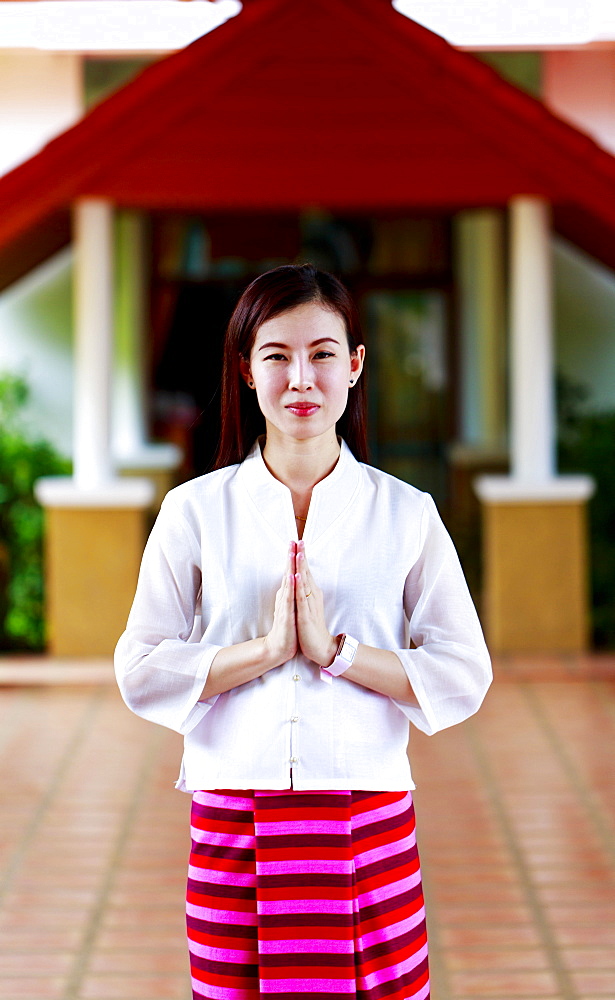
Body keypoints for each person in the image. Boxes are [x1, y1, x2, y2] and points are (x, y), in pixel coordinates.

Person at [115, 263, 492, 1000]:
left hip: (364, 812)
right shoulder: (193, 512)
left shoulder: (405, 512)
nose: (301, 379)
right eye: (276, 356)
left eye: (322, 354)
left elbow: (462, 670)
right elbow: (141, 665)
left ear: (354, 365)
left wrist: (337, 655)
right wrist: (262, 653)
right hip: (234, 813)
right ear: (246, 372)